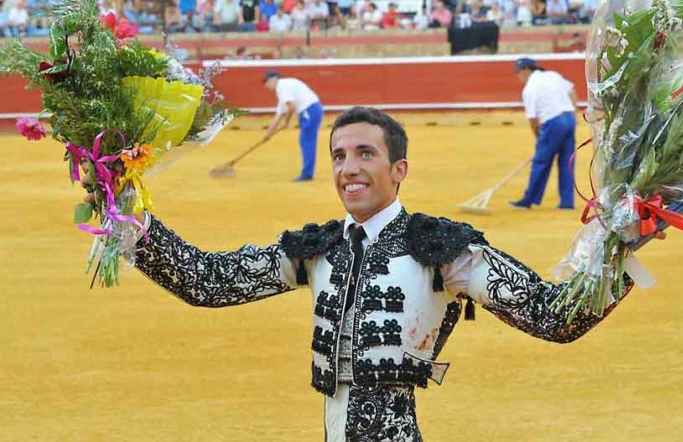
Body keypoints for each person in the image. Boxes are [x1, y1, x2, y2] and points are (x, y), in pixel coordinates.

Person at [114, 106, 647, 441]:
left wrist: (619, 244)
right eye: (339, 156)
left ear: (399, 170)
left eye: (365, 153)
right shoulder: (317, 247)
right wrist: (123, 210)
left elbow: (553, 316)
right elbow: (208, 282)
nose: (349, 169)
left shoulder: (442, 249)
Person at [510, 58, 577, 210]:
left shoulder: (530, 89)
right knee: (567, 162)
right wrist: (572, 113)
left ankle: (528, 200)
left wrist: (539, 139)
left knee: (540, 162)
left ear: (526, 70)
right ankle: (567, 202)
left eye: (518, 72)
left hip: (553, 122)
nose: (518, 76)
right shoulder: (552, 75)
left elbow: (533, 120)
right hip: (569, 118)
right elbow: (571, 91)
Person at [262, 70, 323, 181]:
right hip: (311, 110)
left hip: (308, 111)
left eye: (266, 82)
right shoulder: (284, 87)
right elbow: (279, 115)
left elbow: (291, 108)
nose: (266, 85)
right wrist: (268, 134)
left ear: (273, 79)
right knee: (306, 141)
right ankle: (307, 173)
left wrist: (286, 121)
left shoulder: (281, 86)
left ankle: (307, 174)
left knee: (307, 141)